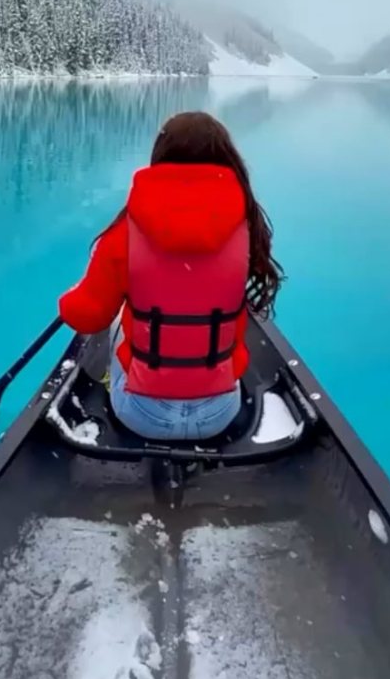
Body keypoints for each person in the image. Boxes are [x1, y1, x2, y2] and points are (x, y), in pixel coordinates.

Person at [58, 111, 284, 441]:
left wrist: (70, 300)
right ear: (225, 158)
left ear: (160, 157)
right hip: (220, 413)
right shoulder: (247, 228)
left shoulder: (125, 233)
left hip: (141, 413)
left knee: (120, 317)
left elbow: (88, 318)